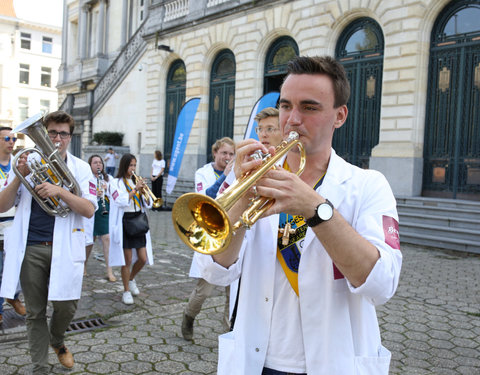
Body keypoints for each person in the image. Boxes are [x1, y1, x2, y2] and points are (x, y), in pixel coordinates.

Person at [196, 56, 402, 375]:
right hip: (256, 359)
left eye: (309, 107)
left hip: (336, 361)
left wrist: (315, 209)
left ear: (340, 115)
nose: (292, 119)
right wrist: (238, 199)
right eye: (285, 105)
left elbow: (381, 285)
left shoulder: (368, 185)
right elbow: (214, 271)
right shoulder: (250, 178)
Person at [0, 111, 97, 374]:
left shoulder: (82, 169)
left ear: (70, 137)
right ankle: (40, 368)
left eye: (62, 133)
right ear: (43, 134)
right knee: (34, 313)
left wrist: (60, 191)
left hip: (65, 249)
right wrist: (18, 178)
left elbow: (89, 209)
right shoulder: (27, 163)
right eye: (51, 132)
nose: (56, 138)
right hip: (31, 248)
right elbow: (3, 205)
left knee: (67, 306)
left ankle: (57, 340)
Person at [181, 137, 235, 341]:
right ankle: (189, 316)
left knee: (234, 291)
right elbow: (205, 198)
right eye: (224, 153)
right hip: (212, 236)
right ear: (215, 153)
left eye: (231, 154)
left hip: (234, 233)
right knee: (205, 289)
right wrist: (225, 177)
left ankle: (229, 332)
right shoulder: (202, 173)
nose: (227, 157)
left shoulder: (239, 171)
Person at [108, 153, 153, 305]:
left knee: (143, 258)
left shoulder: (136, 181)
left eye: (134, 165)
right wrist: (134, 190)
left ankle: (132, 278)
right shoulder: (115, 182)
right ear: (124, 166)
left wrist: (144, 193)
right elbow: (120, 200)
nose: (133, 168)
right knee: (126, 260)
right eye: (130, 165)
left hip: (138, 220)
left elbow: (148, 203)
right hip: (125, 222)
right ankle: (126, 290)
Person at [0, 127, 26, 324]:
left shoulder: (18, 164)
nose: (11, 142)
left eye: (14, 138)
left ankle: (13, 296)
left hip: (14, 222)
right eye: (7, 138)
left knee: (16, 265)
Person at [84, 155, 116, 282]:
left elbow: (115, 193)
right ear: (90, 165)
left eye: (100, 163)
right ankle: (84, 264)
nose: (98, 165)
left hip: (104, 209)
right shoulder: (87, 178)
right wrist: (94, 194)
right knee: (90, 240)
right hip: (91, 210)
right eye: (95, 163)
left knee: (106, 238)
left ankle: (109, 270)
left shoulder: (108, 178)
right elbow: (82, 193)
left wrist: (106, 189)